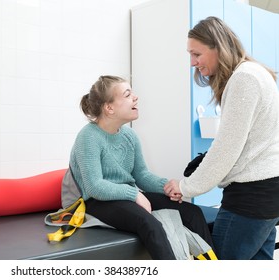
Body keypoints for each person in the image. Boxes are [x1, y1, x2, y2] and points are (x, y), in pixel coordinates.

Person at [164, 16, 279, 260]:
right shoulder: (256, 73)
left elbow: (226, 150)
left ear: (218, 46)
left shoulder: (244, 78)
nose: (193, 62)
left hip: (250, 198)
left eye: (197, 54)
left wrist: (185, 187)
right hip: (268, 194)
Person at [65, 75, 214, 260]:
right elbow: (95, 186)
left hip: (124, 196)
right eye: (127, 95)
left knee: (193, 213)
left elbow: (141, 175)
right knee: (149, 223)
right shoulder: (88, 136)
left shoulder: (130, 136)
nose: (136, 98)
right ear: (109, 108)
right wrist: (135, 195)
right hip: (96, 201)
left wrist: (166, 187)